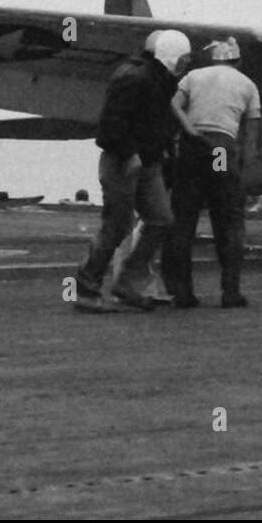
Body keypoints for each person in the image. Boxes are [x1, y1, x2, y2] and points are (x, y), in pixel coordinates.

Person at [74, 30, 195, 313]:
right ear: (171, 55)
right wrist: (129, 154)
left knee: (162, 220)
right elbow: (109, 127)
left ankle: (126, 282)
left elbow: (159, 123)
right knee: (116, 226)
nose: (186, 65)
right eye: (184, 59)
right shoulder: (134, 77)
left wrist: (165, 154)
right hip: (122, 162)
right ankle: (85, 287)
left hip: (148, 163)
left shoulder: (162, 81)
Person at [163, 37, 261, 309]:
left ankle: (182, 293)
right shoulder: (248, 84)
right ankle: (230, 292)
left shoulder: (194, 76)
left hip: (193, 147)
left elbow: (172, 104)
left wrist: (189, 129)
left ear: (213, 58)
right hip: (221, 149)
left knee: (183, 219)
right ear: (237, 60)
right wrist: (241, 172)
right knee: (228, 221)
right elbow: (251, 137)